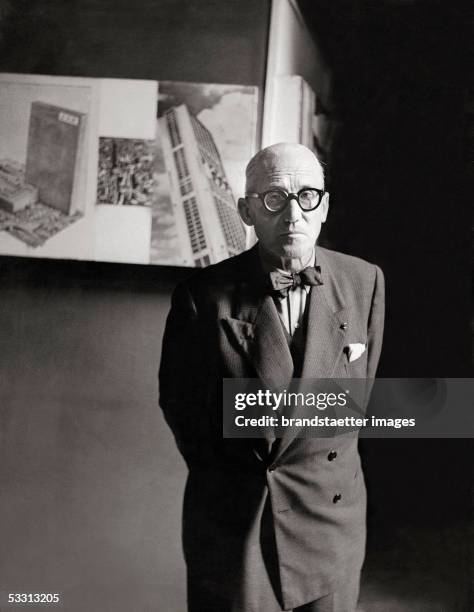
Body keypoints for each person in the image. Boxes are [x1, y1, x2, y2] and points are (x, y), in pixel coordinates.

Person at [159, 143, 385, 612]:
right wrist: (241, 475)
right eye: (273, 199)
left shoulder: (366, 282)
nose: (293, 214)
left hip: (331, 520)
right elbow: (183, 412)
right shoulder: (201, 297)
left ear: (324, 206)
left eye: (307, 197)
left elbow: (360, 402)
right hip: (238, 523)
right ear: (246, 211)